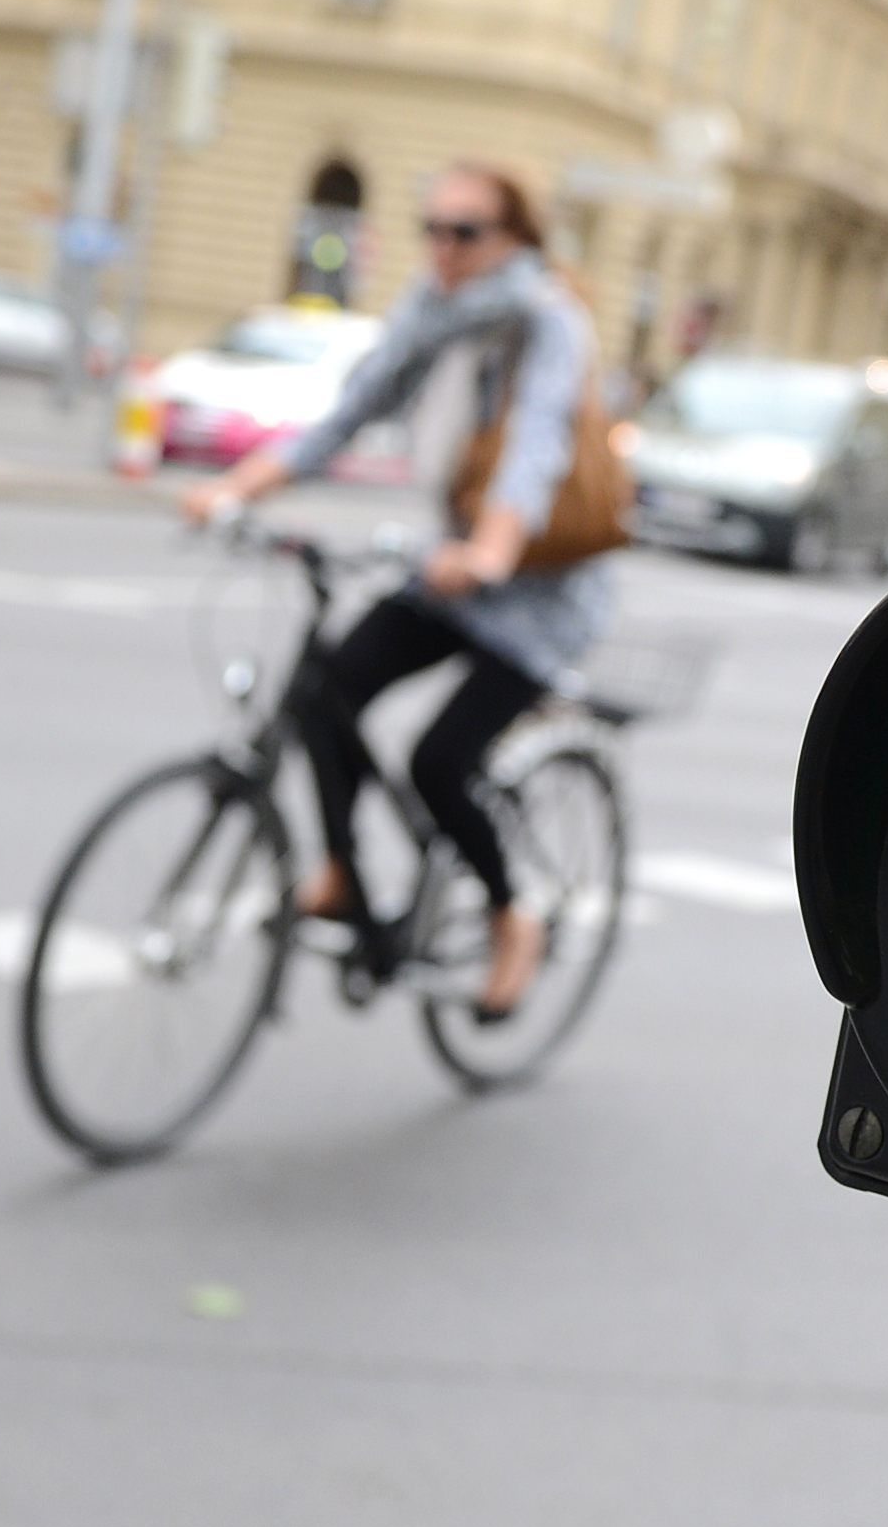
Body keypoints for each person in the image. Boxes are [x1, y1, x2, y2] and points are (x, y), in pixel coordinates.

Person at [180, 162, 613, 1024]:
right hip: (451, 570)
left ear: (513, 240)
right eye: (432, 228)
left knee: (439, 761)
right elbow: (347, 415)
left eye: (465, 231)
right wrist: (240, 489)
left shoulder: (547, 321)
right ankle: (341, 870)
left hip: (534, 596)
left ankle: (512, 912)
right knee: (324, 691)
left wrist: (490, 548)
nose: (442, 247)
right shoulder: (430, 313)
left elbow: (535, 446)